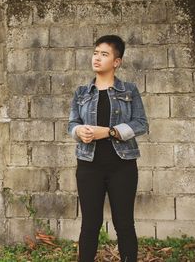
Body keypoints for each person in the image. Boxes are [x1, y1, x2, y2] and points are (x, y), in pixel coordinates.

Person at [67, 35, 149, 262]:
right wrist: (78, 132)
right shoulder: (81, 92)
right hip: (88, 166)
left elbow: (141, 124)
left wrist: (110, 132)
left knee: (124, 224)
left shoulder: (129, 90)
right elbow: (71, 124)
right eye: (95, 53)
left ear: (116, 62)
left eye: (104, 54)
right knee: (90, 225)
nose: (97, 58)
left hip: (122, 166)